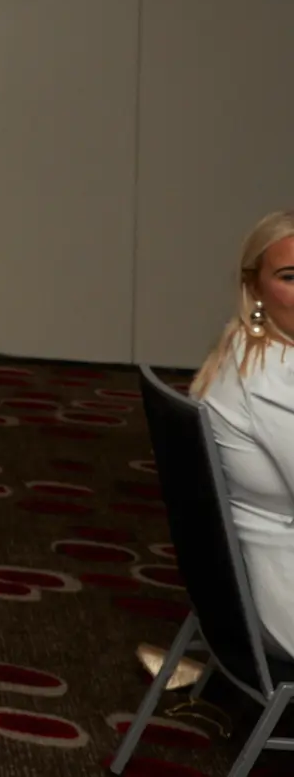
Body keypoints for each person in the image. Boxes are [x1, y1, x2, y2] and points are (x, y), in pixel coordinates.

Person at [192, 209, 294, 657]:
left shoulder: (244, 343)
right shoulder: (274, 379)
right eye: (290, 277)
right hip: (281, 605)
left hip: (246, 591)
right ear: (254, 286)